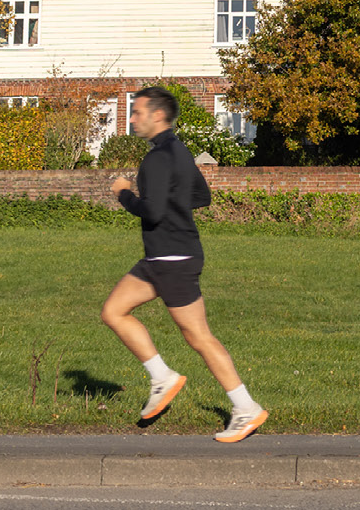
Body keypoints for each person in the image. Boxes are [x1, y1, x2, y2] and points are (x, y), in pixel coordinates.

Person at [100, 86, 266, 442]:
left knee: (199, 337)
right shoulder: (179, 150)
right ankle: (162, 377)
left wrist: (123, 193)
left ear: (158, 115)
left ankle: (246, 408)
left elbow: (152, 211)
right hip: (161, 257)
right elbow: (201, 196)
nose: (132, 119)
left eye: (137, 112)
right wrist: (173, 204)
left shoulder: (157, 158)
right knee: (114, 311)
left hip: (172, 259)